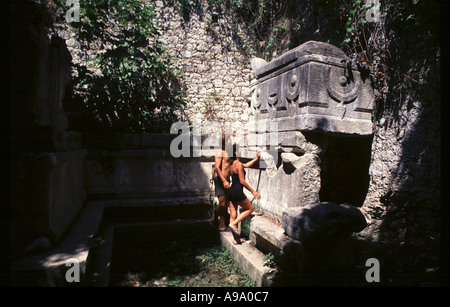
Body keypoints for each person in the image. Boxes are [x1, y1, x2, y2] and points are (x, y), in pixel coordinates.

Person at [227, 142, 261, 244]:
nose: (241, 151)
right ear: (236, 152)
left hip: (231, 191)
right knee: (250, 209)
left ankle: (236, 240)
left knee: (233, 214)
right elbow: (242, 181)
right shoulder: (239, 164)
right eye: (240, 149)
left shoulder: (232, 164)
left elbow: (245, 165)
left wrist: (256, 159)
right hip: (237, 190)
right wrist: (253, 191)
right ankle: (233, 225)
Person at [213, 132, 232, 231]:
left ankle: (222, 223)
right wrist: (224, 180)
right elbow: (217, 167)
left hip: (227, 180)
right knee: (222, 204)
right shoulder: (219, 152)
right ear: (224, 142)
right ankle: (215, 215)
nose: (230, 141)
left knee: (226, 203)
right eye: (229, 139)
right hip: (220, 180)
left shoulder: (229, 152)